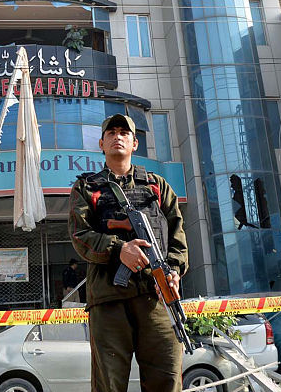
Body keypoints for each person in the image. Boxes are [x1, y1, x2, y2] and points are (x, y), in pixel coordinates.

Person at [69, 113, 188, 392]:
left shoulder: (157, 186)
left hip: (156, 296)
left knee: (168, 377)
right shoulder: (87, 187)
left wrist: (173, 271)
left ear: (135, 143)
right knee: (109, 384)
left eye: (124, 133)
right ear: (101, 144)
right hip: (108, 300)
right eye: (111, 133)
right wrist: (119, 250)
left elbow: (178, 236)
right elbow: (79, 236)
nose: (117, 137)